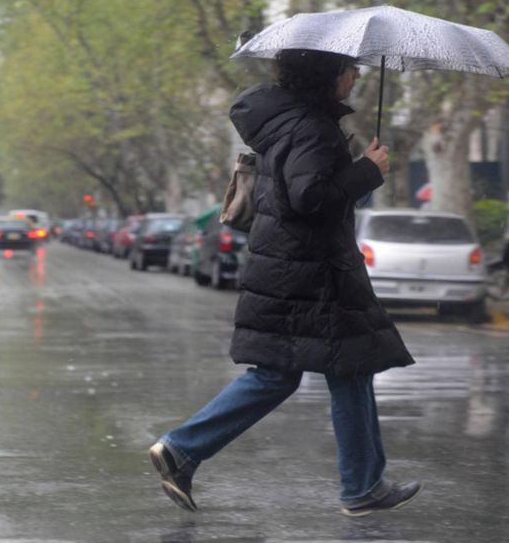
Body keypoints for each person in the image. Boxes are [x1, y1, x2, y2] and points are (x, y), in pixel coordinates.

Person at [149, 49, 421, 517]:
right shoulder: (311, 127)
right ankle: (360, 487)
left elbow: (308, 192)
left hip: (295, 267)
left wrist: (359, 170)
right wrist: (366, 171)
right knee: (313, 369)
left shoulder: (290, 122)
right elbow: (309, 197)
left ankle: (361, 485)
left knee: (331, 370)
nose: (357, 76)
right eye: (350, 69)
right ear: (328, 75)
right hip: (312, 274)